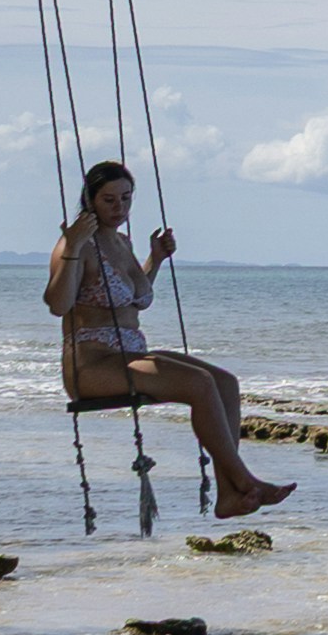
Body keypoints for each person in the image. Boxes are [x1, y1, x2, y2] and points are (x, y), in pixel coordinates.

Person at [47, 161, 294, 520]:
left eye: (126, 199)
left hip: (129, 356)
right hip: (91, 365)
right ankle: (245, 481)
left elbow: (130, 299)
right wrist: (71, 246)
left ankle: (228, 493)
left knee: (225, 382)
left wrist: (156, 259)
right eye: (109, 200)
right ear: (89, 200)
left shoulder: (121, 241)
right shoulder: (76, 245)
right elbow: (57, 304)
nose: (119, 209)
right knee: (198, 383)